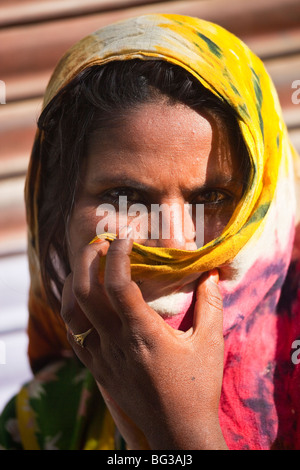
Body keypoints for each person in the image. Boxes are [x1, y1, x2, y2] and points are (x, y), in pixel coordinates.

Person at [0, 13, 299, 450]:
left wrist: (182, 434)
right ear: (57, 216)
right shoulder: (43, 422)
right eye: (126, 197)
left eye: (212, 198)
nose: (174, 240)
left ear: (266, 211)